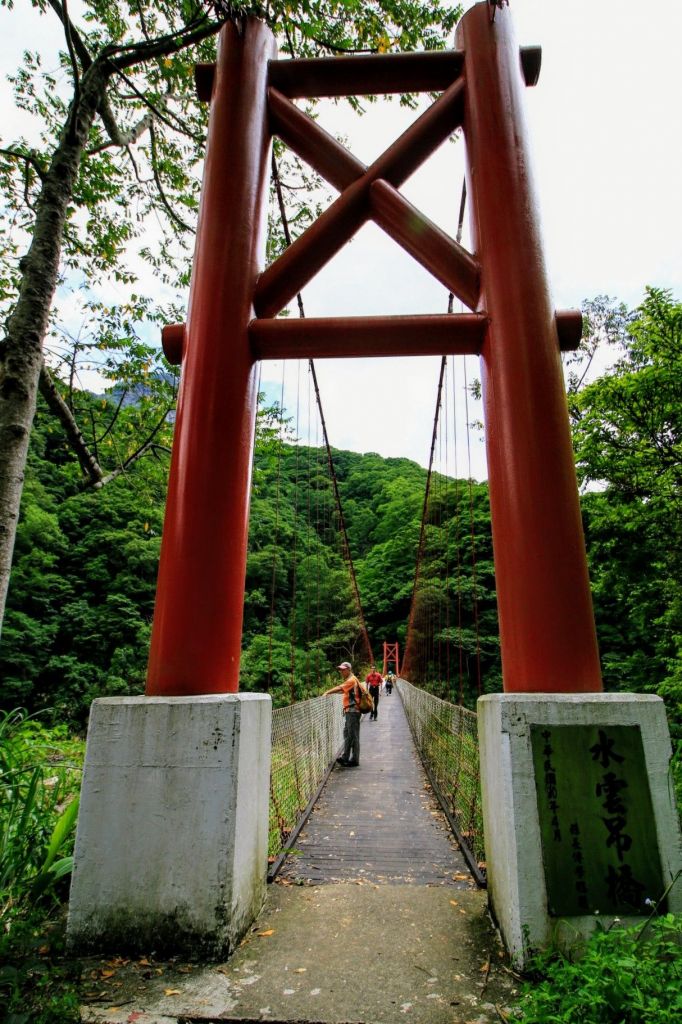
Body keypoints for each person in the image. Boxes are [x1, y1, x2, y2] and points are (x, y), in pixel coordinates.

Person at [323, 661, 365, 767]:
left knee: (352, 735)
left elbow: (340, 688)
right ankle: (349, 758)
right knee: (348, 733)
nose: (341, 671)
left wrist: (327, 692)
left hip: (352, 711)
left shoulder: (351, 680)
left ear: (349, 669)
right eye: (340, 669)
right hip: (351, 711)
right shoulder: (352, 679)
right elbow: (345, 691)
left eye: (343, 669)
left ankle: (350, 759)